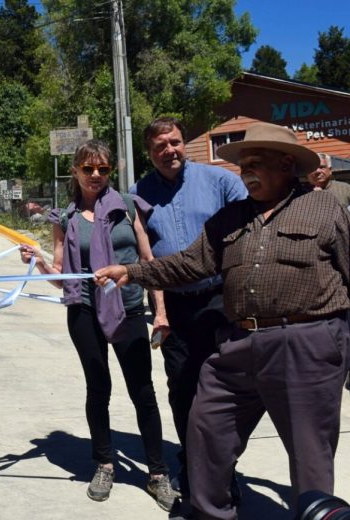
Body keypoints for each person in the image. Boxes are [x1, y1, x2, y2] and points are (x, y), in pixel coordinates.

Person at [94, 122, 350, 520]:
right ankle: (210, 512)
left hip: (307, 341)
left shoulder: (323, 207)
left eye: (255, 162)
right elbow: (191, 263)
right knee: (206, 425)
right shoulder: (231, 217)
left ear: (286, 163)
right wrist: (132, 272)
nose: (245, 169)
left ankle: (314, 513)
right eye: (243, 162)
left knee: (309, 450)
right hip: (239, 342)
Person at [19, 140, 176, 511]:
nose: (95, 176)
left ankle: (157, 473)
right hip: (85, 311)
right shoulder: (67, 219)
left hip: (130, 309)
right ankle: (104, 464)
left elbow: (149, 262)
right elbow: (62, 277)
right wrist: (37, 261)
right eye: (88, 168)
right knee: (98, 388)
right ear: (75, 170)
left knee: (142, 391)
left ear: (110, 172)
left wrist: (162, 312)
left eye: (103, 169)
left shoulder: (129, 208)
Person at [131, 117, 247, 510]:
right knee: (183, 392)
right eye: (160, 146)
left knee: (227, 394)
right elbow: (145, 256)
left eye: (175, 142)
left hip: (220, 302)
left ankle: (225, 474)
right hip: (175, 309)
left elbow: (249, 233)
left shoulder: (222, 183)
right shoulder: (140, 195)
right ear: (149, 152)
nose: (170, 151)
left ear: (185, 144)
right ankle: (194, 468)